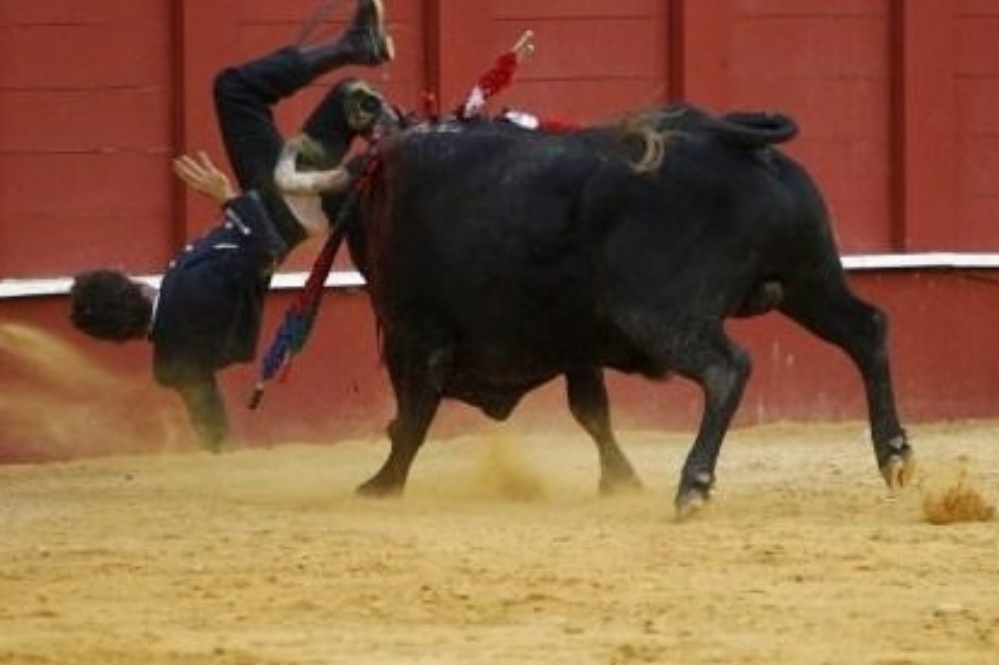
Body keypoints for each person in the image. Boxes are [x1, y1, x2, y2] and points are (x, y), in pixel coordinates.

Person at [69, 0, 395, 451]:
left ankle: (359, 48)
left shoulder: (172, 361)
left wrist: (217, 453)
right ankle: (372, 78)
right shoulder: (188, 291)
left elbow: (207, 411)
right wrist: (227, 198)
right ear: (133, 287)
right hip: (282, 208)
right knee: (330, 97)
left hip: (271, 203)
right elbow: (263, 249)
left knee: (240, 91)